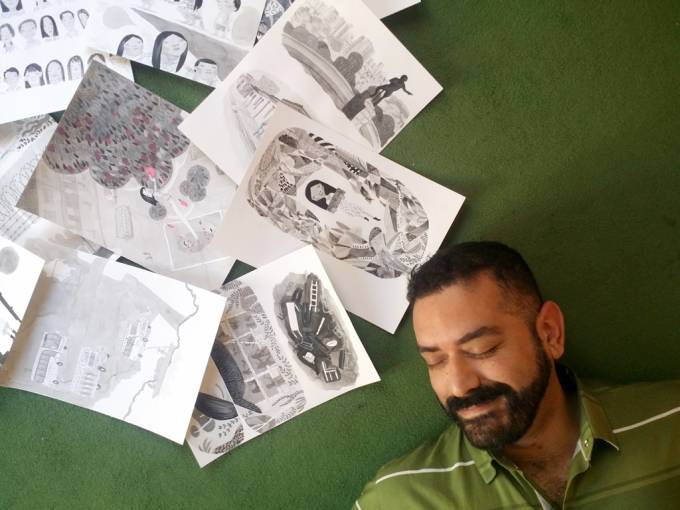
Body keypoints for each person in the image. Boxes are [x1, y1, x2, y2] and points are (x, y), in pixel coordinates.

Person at [355, 241, 680, 509]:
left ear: (550, 333)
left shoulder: (672, 425)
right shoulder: (398, 498)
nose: (459, 385)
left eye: (482, 349)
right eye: (435, 361)